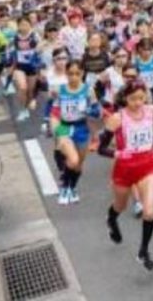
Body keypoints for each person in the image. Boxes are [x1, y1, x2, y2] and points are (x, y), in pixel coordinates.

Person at [98, 79, 153, 271]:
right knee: (120, 205)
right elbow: (101, 148)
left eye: (141, 98)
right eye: (133, 99)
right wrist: (116, 153)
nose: (138, 103)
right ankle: (111, 219)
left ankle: (143, 252)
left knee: (149, 211)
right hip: (124, 168)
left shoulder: (151, 111)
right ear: (125, 98)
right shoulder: (117, 118)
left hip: (147, 165)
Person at [51, 59, 100, 205]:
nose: (73, 77)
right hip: (65, 126)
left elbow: (97, 112)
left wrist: (90, 110)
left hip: (81, 128)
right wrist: (56, 130)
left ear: (82, 74)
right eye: (70, 74)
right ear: (66, 74)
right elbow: (54, 112)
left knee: (78, 165)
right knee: (72, 160)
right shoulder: (60, 90)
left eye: (77, 74)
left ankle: (72, 188)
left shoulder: (88, 90)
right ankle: (64, 188)